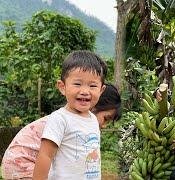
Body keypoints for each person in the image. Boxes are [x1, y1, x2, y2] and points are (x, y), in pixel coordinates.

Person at [0, 50, 111, 180]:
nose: (85, 91)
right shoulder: (60, 119)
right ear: (62, 87)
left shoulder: (92, 120)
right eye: (77, 84)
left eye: (93, 85)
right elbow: (45, 155)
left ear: (101, 90)